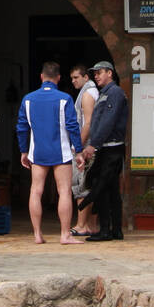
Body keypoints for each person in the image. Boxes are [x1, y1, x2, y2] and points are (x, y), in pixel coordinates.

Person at [16, 62, 85, 245]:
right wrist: (78, 150)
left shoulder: (28, 99)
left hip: (37, 152)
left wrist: (23, 150)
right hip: (60, 152)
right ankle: (64, 235)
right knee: (64, 192)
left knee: (36, 191)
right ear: (58, 78)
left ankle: (37, 234)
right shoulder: (65, 99)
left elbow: (21, 127)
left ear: (41, 77)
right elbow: (72, 126)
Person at [79, 60, 128, 241]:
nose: (96, 76)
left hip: (111, 148)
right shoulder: (105, 93)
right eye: (95, 73)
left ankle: (106, 230)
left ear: (110, 73)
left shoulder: (114, 93)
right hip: (108, 147)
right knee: (112, 189)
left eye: (100, 72)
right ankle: (115, 230)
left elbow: (108, 121)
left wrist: (94, 144)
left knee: (102, 189)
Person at [68, 64, 99, 237]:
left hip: (86, 147)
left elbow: (87, 123)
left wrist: (78, 148)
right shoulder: (95, 92)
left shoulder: (87, 95)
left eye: (76, 77)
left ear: (86, 77)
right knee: (92, 187)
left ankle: (81, 225)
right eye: (72, 78)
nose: (73, 81)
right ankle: (91, 225)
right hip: (92, 146)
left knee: (81, 186)